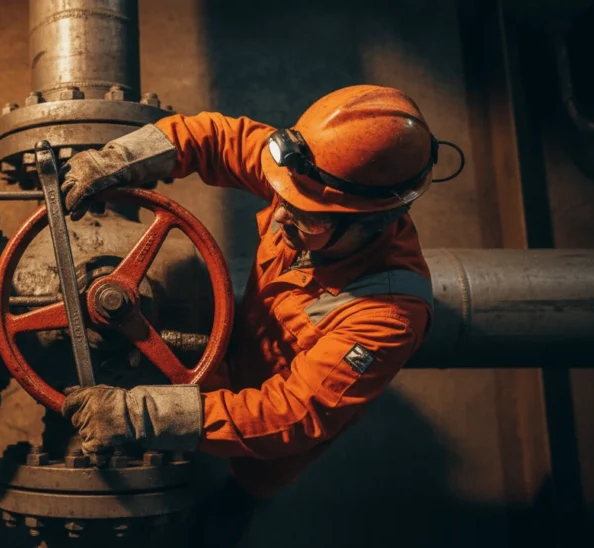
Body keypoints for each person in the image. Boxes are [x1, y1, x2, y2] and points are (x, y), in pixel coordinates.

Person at [60, 85, 463, 521]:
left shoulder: (387, 316)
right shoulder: (309, 175)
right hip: (236, 349)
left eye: (305, 216)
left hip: (272, 433)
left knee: (253, 480)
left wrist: (142, 415)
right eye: (284, 197)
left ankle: (225, 521)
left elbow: (290, 416)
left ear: (368, 221)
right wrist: (119, 159)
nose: (282, 214)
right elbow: (215, 137)